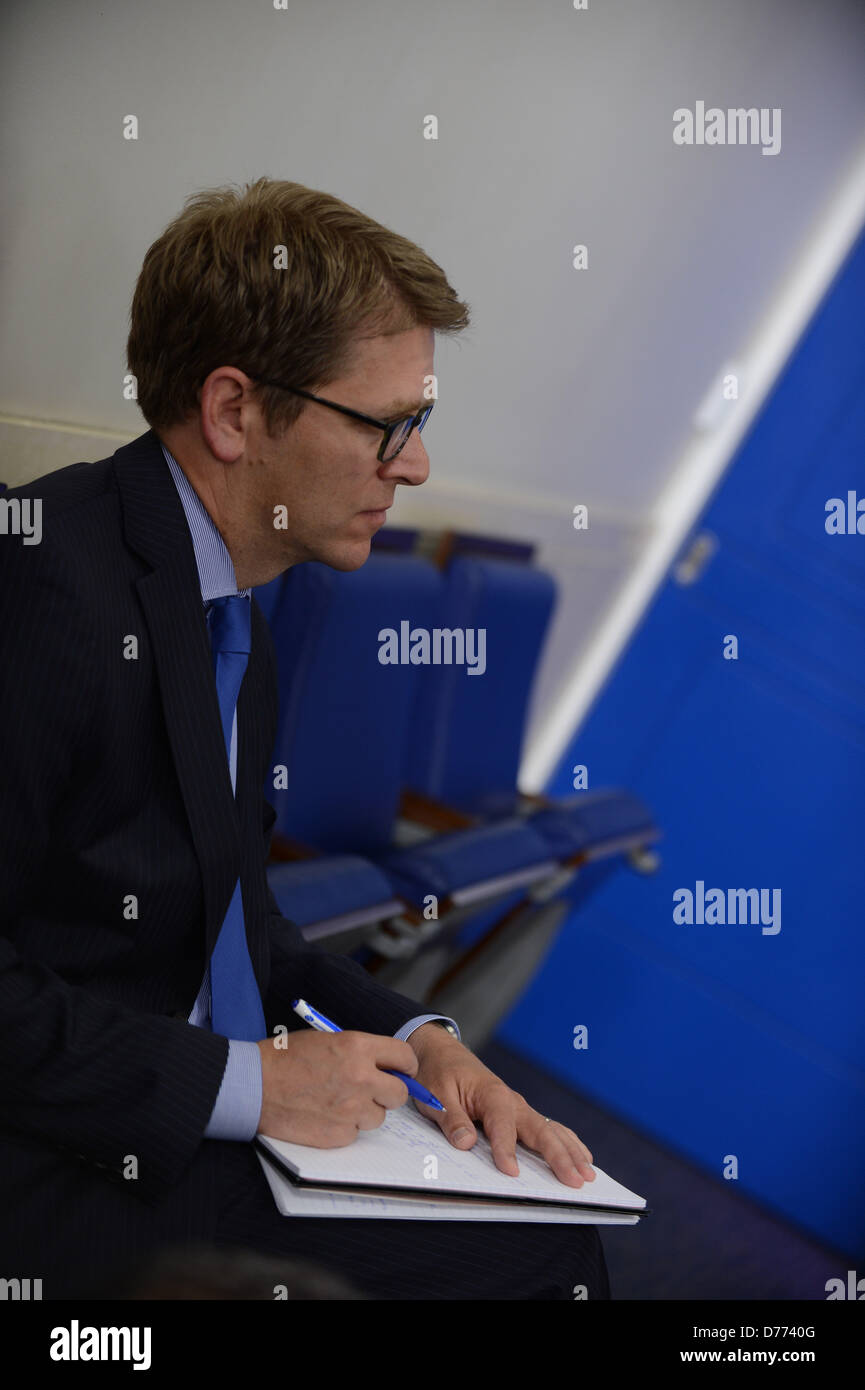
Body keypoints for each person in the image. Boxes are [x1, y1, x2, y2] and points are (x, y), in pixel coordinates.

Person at [0, 177, 610, 1300]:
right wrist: (247, 1085)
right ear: (234, 413)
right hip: (64, 1153)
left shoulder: (235, 612)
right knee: (541, 1263)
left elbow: (242, 926)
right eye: (388, 425)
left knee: (549, 1230)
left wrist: (425, 1036)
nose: (415, 466)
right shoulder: (49, 586)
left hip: (179, 1107)